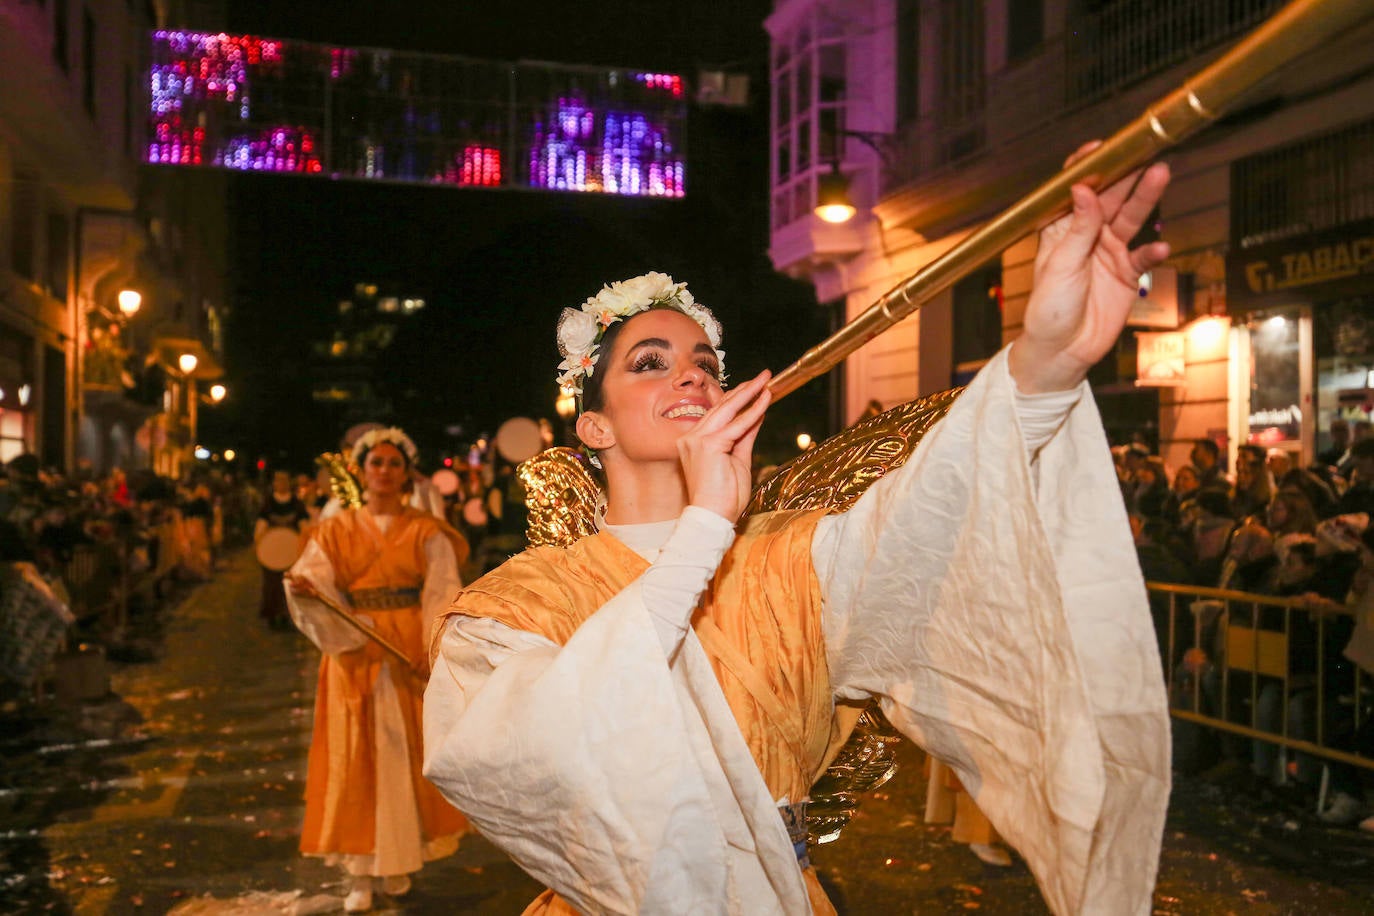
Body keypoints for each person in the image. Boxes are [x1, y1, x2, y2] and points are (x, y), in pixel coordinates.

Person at [424, 151, 1174, 914]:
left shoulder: (799, 555)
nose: (692, 377)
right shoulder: (512, 608)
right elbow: (523, 758)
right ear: (594, 425)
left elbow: (942, 514)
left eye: (706, 363)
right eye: (650, 364)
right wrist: (706, 525)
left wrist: (1047, 357)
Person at [285, 427, 470, 912]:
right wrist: (305, 590)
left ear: (406, 473)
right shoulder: (334, 530)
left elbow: (443, 591)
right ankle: (360, 872)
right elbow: (315, 580)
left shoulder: (428, 532)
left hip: (407, 650)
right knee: (356, 756)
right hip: (354, 656)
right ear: (361, 471)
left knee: (404, 755)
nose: (384, 472)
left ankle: (400, 860)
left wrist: (433, 647)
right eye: (376, 463)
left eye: (393, 464)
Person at [255, 470, 310, 631]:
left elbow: (303, 526)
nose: (281, 483)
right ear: (274, 483)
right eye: (278, 480)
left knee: (289, 585)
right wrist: (261, 544)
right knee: (272, 585)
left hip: (291, 553)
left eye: (284, 480)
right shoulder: (268, 503)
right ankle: (272, 615)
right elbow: (261, 525)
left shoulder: (296, 504)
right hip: (271, 552)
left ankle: (288, 615)